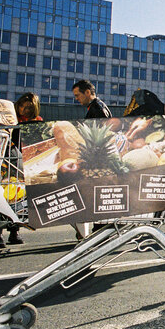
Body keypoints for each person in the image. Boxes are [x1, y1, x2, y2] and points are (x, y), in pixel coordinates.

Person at [0, 92, 43, 246]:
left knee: (17, 198)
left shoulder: (36, 122)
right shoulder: (6, 115)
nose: (24, 109)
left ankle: (14, 231)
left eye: (28, 107)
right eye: (22, 105)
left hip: (19, 165)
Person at [71, 80, 111, 238]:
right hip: (97, 159)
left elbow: (99, 135)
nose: (76, 98)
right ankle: (98, 227)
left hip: (97, 160)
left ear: (88, 92)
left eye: (78, 95)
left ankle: (99, 228)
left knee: (93, 194)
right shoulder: (97, 107)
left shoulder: (97, 109)